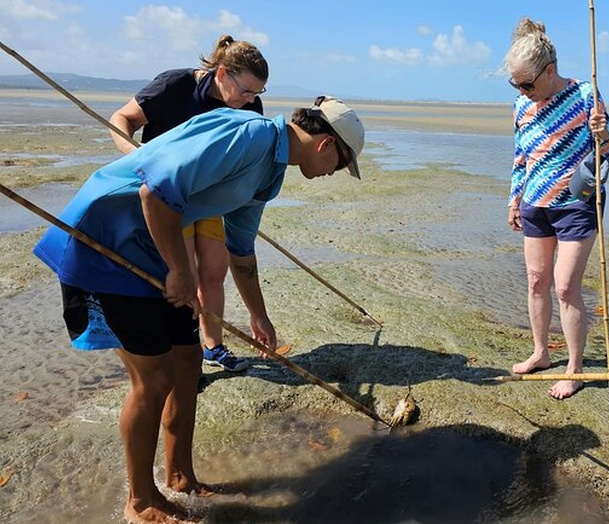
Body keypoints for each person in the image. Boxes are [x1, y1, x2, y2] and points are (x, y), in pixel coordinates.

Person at [34, 95, 365, 524]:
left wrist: (258, 315)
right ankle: (140, 501)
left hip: (153, 248)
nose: (333, 175)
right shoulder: (253, 135)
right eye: (340, 165)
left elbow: (241, 251)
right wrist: (181, 270)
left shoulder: (269, 176)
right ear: (325, 146)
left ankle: (180, 476)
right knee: (154, 377)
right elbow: (154, 192)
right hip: (107, 239)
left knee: (188, 360)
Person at [109, 34, 270, 373]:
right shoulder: (174, 85)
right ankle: (187, 354)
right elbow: (121, 119)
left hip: (207, 198)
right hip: (165, 198)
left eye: (258, 93)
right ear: (223, 74)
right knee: (186, 275)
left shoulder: (248, 106)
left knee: (213, 272)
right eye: (246, 90)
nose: (251, 100)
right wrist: (139, 158)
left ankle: (213, 348)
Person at [503, 16, 609, 399]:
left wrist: (603, 136)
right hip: (535, 203)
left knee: (566, 285)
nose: (522, 90)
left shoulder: (586, 95)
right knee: (537, 281)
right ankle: (540, 353)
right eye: (515, 84)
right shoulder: (521, 105)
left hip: (576, 204)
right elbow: (521, 157)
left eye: (527, 83)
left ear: (549, 71)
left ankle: (575, 368)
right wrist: (514, 199)